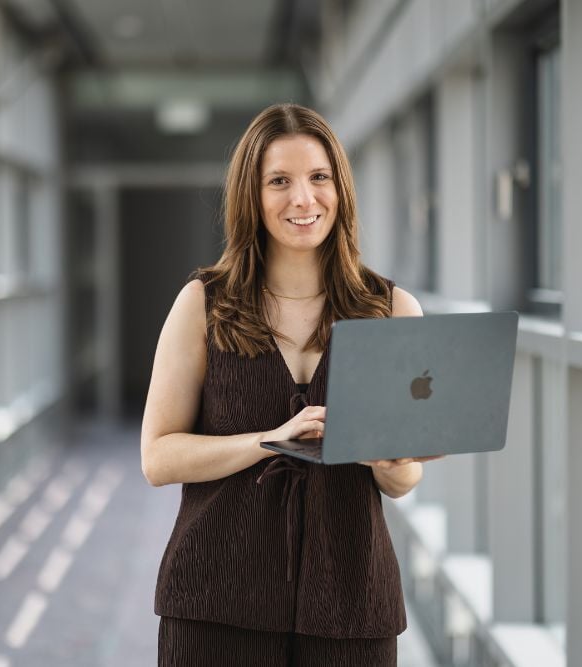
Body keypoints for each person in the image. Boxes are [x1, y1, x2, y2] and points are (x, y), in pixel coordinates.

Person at [141, 103, 441, 666]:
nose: (303, 199)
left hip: (351, 607)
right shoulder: (203, 306)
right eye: (279, 181)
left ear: (341, 189)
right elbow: (158, 457)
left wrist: (387, 459)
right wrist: (270, 439)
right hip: (215, 602)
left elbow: (404, 480)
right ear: (250, 196)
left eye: (319, 178)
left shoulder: (393, 310)